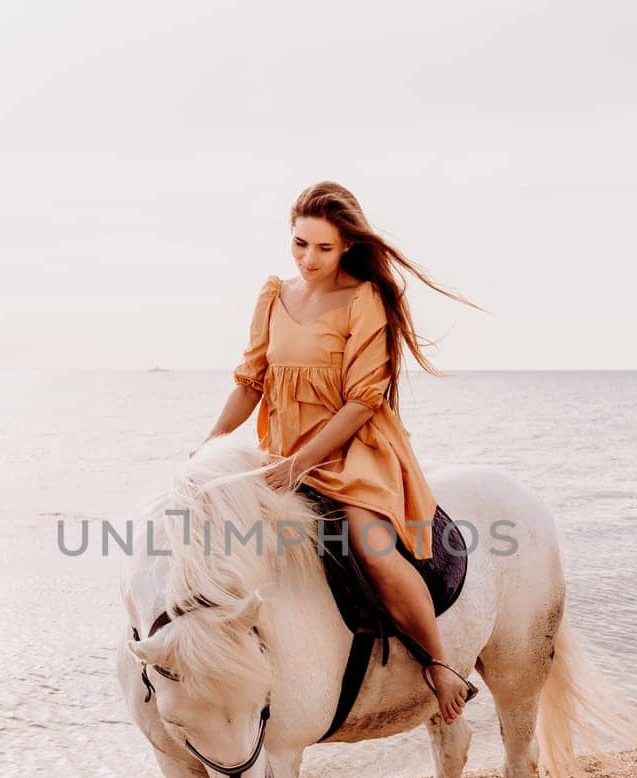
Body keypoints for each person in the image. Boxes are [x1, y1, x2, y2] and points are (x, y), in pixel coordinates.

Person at [196, 181, 484, 725]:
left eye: (323, 248)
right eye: (300, 244)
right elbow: (250, 383)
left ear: (347, 245)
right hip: (281, 448)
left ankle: (442, 662)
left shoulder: (364, 300)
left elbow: (361, 402)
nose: (309, 259)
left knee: (370, 544)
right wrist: (208, 447)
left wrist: (299, 463)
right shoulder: (273, 296)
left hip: (354, 449)